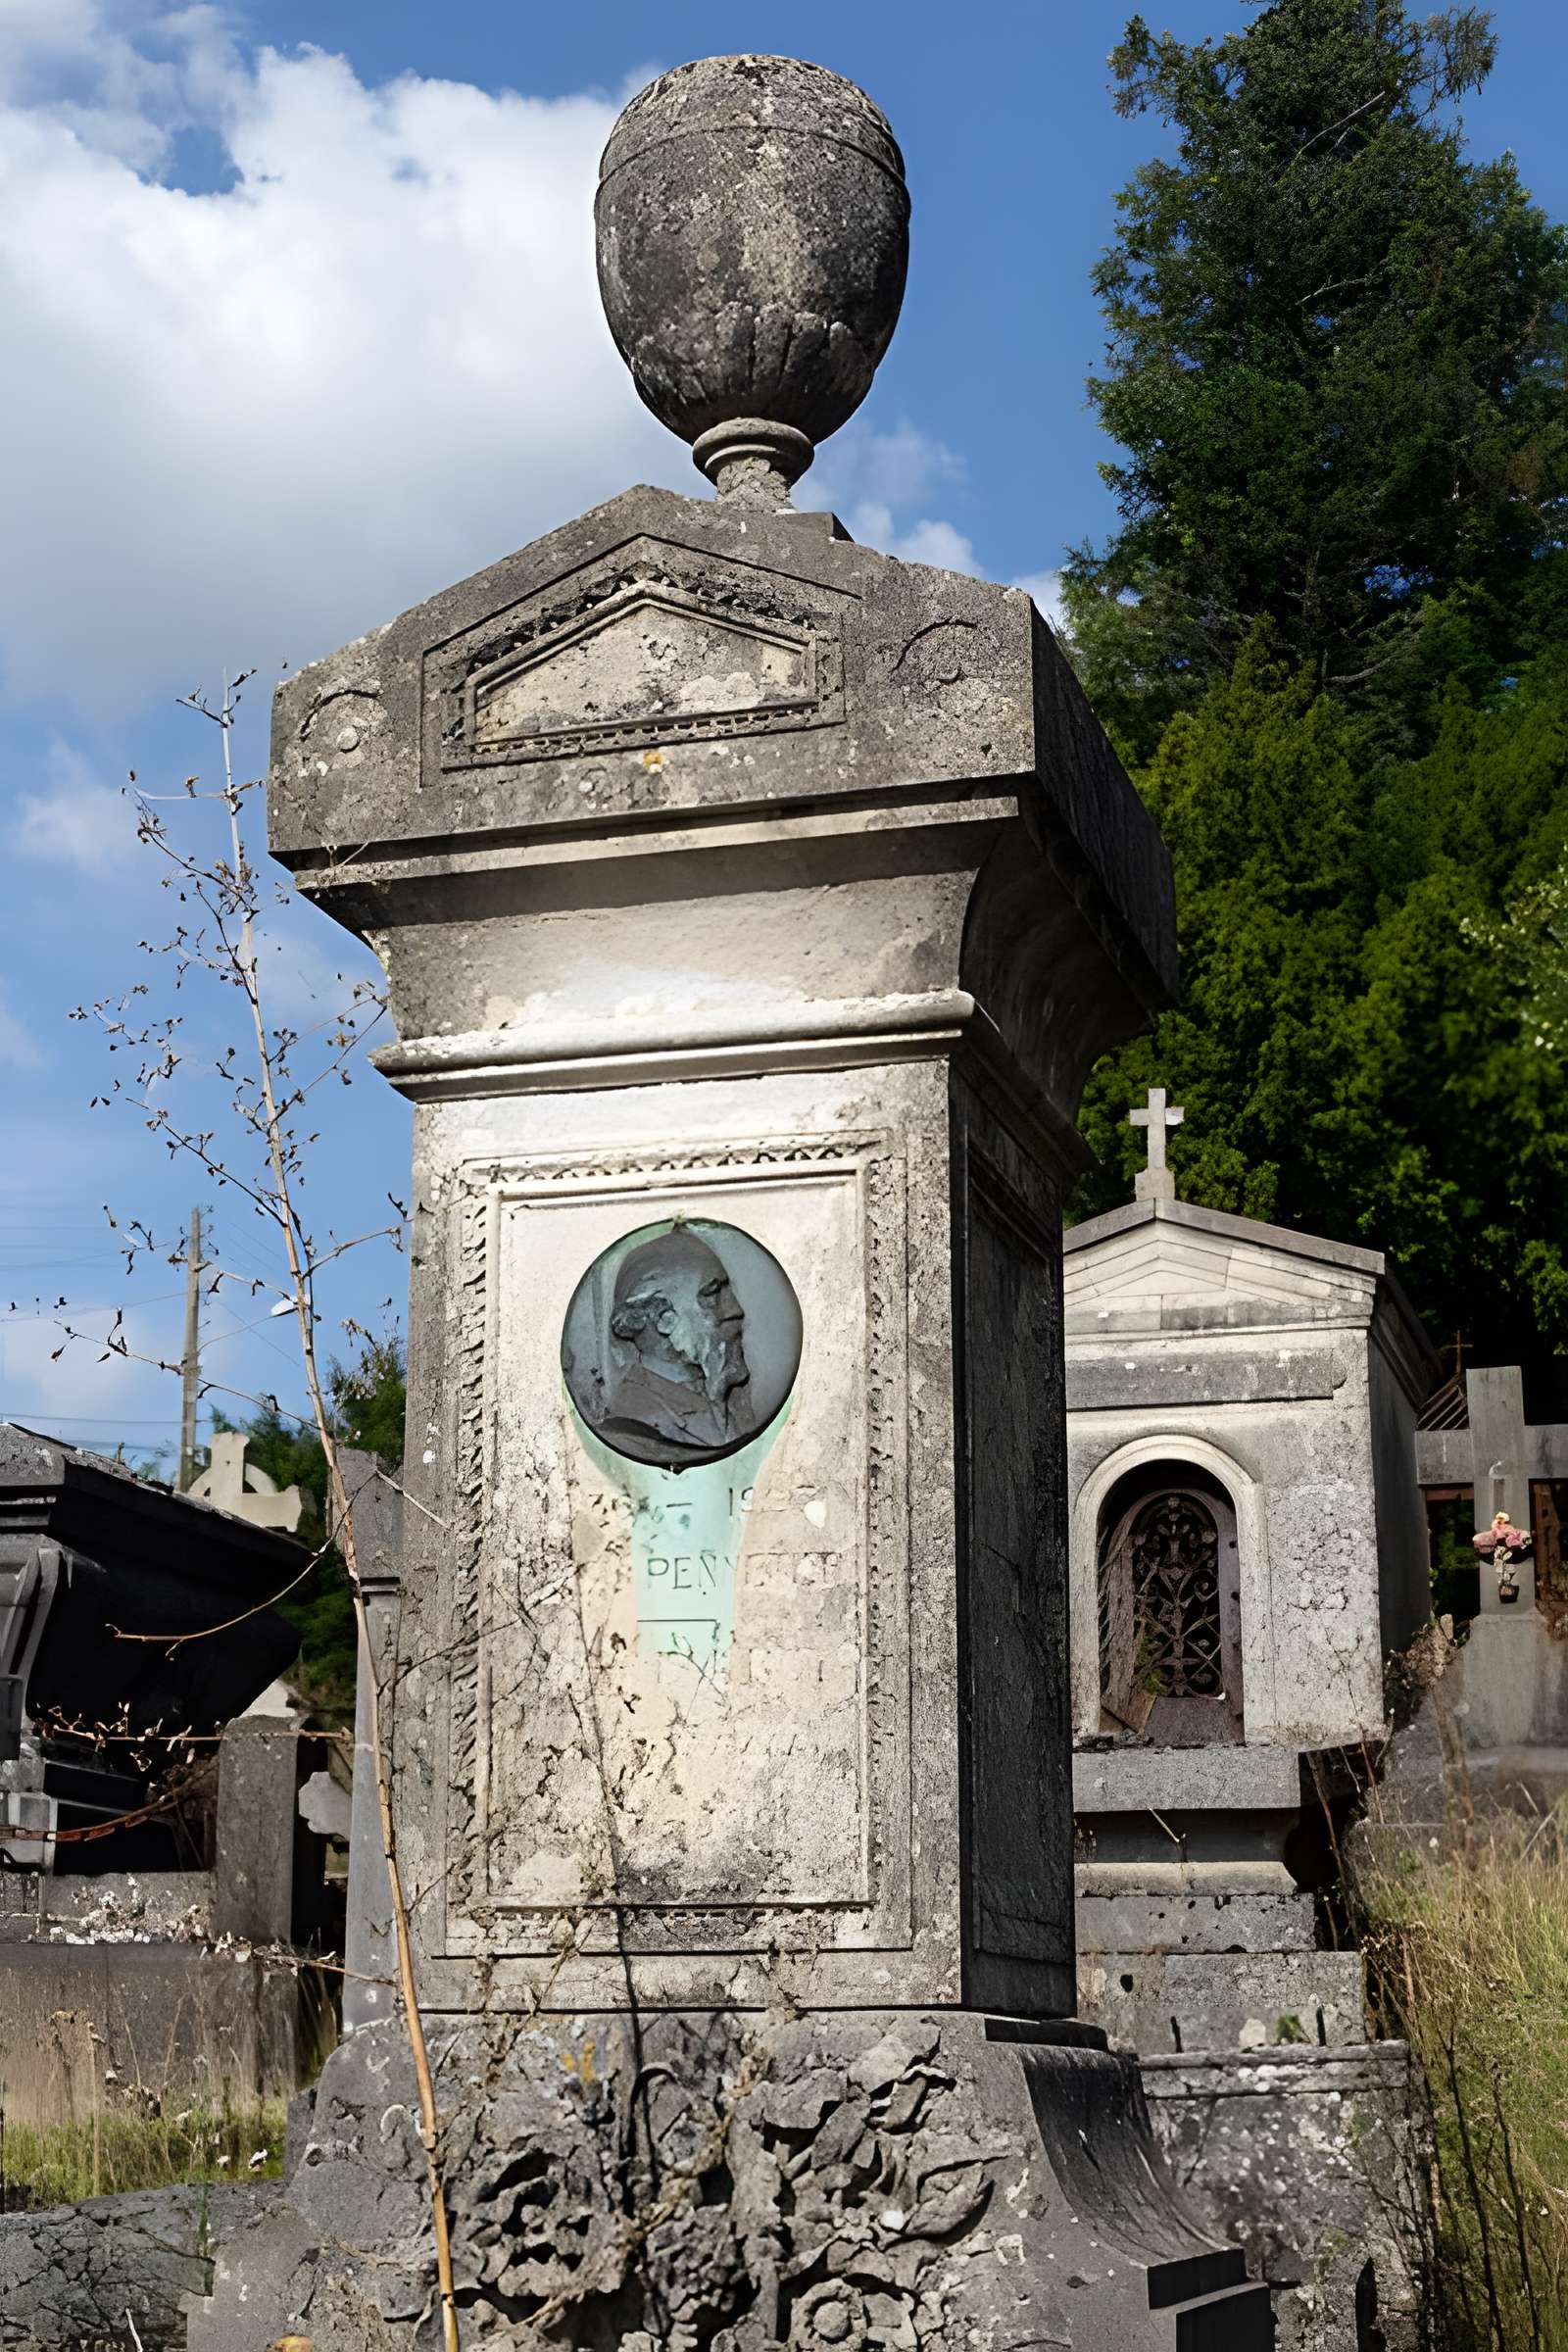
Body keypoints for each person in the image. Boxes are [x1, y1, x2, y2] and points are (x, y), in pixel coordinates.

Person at [598, 1225, 755, 1456]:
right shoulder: (633, 1418)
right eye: (712, 1295)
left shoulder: (724, 1397)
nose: (736, 1311)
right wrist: (716, 1402)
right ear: (665, 1320)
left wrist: (717, 1397)